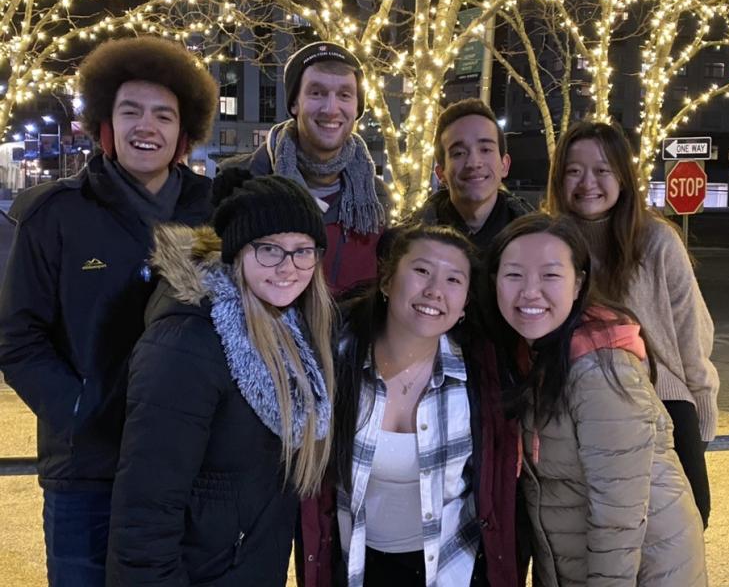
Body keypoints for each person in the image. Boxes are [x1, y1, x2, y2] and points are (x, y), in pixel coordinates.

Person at [0, 36, 217, 586]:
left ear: (183, 131)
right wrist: (78, 408)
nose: (147, 127)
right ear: (106, 124)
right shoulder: (56, 215)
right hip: (87, 474)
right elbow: (18, 335)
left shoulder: (211, 211)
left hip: (186, 467)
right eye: (131, 112)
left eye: (163, 115)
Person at [106, 171, 336, 585]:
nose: (288, 267)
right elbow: (145, 514)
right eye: (268, 249)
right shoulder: (188, 343)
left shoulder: (289, 327)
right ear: (236, 253)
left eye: (303, 251)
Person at [487, 213, 707, 586]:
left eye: (551, 275)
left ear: (578, 284)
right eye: (514, 275)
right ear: (493, 282)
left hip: (645, 571)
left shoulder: (600, 368)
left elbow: (618, 517)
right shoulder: (537, 354)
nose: (529, 291)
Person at [301, 225, 520, 587]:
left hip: (451, 567)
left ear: (465, 304)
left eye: (453, 280)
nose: (435, 291)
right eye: (421, 271)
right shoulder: (334, 362)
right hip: (354, 563)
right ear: (387, 282)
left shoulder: (480, 378)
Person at [544, 121, 718, 528]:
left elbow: (693, 335)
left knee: (675, 541)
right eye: (574, 170)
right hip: (579, 413)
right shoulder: (549, 244)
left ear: (623, 176)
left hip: (666, 405)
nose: (588, 182)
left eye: (603, 170)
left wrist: (703, 413)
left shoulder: (657, 241)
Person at [222, 41, 388, 294]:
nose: (331, 109)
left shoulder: (375, 198)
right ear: (294, 104)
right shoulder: (239, 181)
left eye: (344, 95)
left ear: (357, 108)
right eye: (317, 93)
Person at [411, 98, 532, 249]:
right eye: (459, 153)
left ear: (504, 165)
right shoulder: (406, 245)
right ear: (441, 173)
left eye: (485, 150)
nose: (474, 163)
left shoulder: (538, 242)